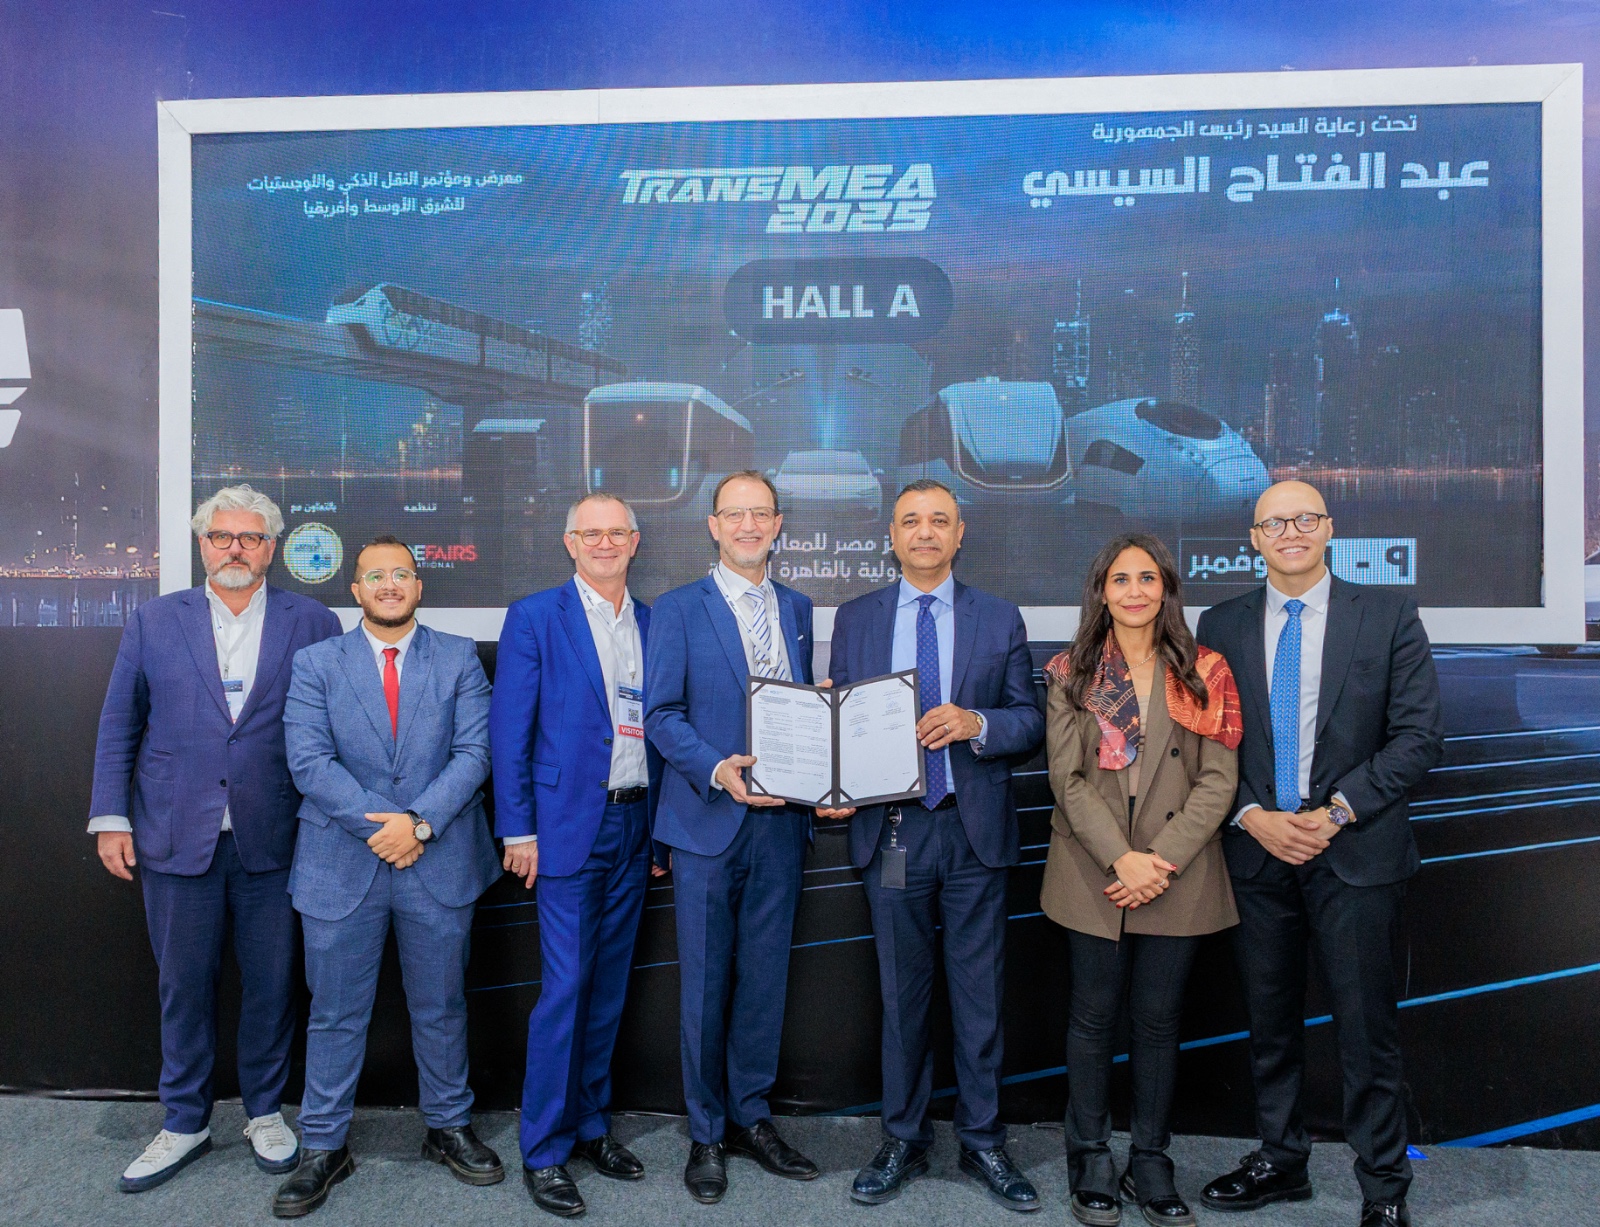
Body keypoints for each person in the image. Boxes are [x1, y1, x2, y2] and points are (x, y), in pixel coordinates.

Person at [1195, 482, 1443, 1227]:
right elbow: (1207, 741)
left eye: (1305, 518)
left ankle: (1384, 1187)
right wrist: (1252, 816)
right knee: (1269, 1022)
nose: (1291, 531)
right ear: (1254, 539)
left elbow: (1418, 737)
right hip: (1258, 852)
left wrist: (1334, 813)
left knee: (1367, 1031)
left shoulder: (1388, 614)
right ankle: (1281, 1159)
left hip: (1356, 851)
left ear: (1329, 529)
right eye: (1274, 522)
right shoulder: (1220, 624)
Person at [88, 485, 341, 1193]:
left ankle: (264, 1111)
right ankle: (184, 1120)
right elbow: (120, 722)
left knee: (272, 986)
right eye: (222, 536)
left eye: (250, 537)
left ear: (271, 548)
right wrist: (110, 816)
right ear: (202, 544)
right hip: (174, 834)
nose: (236, 548)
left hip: (276, 838)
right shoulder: (153, 619)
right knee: (182, 985)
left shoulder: (313, 620)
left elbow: (334, 725)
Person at [824, 479, 1045, 1212]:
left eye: (939, 521)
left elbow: (1028, 721)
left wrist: (976, 723)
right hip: (893, 831)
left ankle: (982, 1140)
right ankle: (904, 1137)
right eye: (911, 521)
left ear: (959, 533)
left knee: (980, 998)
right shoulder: (856, 617)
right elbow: (839, 719)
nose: (925, 532)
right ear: (891, 535)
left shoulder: (998, 616)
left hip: (972, 830)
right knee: (902, 997)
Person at [272, 535, 503, 1218]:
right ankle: (323, 1144)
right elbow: (308, 760)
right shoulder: (316, 663)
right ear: (356, 589)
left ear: (418, 585)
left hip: (439, 859)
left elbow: (476, 751)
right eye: (376, 575)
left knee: (442, 1005)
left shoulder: (458, 656)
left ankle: (448, 1126)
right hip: (341, 863)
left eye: (401, 573)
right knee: (335, 1012)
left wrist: (419, 824)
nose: (390, 584)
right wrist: (386, 828)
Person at [1042, 534, 1242, 1227]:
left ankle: (1151, 1158)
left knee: (1158, 1023)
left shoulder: (1205, 671)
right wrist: (1120, 858)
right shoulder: (1072, 672)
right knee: (1092, 1018)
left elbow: (1219, 781)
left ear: (1166, 589)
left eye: (1147, 578)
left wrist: (1158, 859)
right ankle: (1090, 1155)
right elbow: (1066, 778)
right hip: (1092, 868)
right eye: (1120, 579)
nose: (1134, 591)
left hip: (1176, 871)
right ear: (1101, 591)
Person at [643, 470, 821, 1204]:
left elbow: (802, 710)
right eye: (734, 514)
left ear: (778, 524)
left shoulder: (798, 607)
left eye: (761, 513)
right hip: (706, 821)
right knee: (705, 985)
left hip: (781, 824)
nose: (748, 525)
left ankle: (752, 1117)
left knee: (765, 982)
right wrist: (717, 767)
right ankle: (707, 1132)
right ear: (713, 526)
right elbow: (660, 715)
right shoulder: (678, 608)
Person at [491, 493, 666, 1218]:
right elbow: (510, 731)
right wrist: (517, 831)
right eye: (589, 533)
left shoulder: (653, 621)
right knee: (565, 990)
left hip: (635, 824)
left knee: (608, 988)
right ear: (569, 542)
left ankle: (591, 1126)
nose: (603, 543)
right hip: (564, 829)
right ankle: (543, 1148)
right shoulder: (536, 617)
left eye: (615, 532)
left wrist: (658, 832)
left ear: (635, 541)